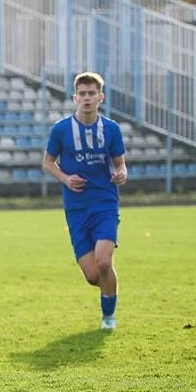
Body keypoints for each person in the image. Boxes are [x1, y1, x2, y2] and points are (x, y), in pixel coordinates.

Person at [42, 71, 128, 331]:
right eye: (82, 94)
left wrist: (122, 173)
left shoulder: (111, 129)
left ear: (101, 97)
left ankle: (108, 317)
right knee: (92, 275)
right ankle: (109, 289)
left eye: (92, 93)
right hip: (76, 208)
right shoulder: (61, 129)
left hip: (105, 203)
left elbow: (120, 164)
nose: (87, 98)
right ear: (75, 98)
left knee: (104, 262)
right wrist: (66, 179)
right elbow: (48, 162)